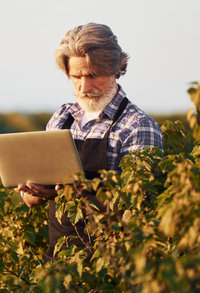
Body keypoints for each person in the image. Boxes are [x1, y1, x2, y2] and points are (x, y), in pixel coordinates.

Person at [18, 23, 163, 261]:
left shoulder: (137, 126)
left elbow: (139, 207)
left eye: (92, 76)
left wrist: (80, 193)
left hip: (112, 269)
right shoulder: (62, 118)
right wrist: (35, 193)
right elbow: (33, 201)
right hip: (57, 268)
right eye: (76, 77)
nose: (84, 87)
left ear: (115, 70)